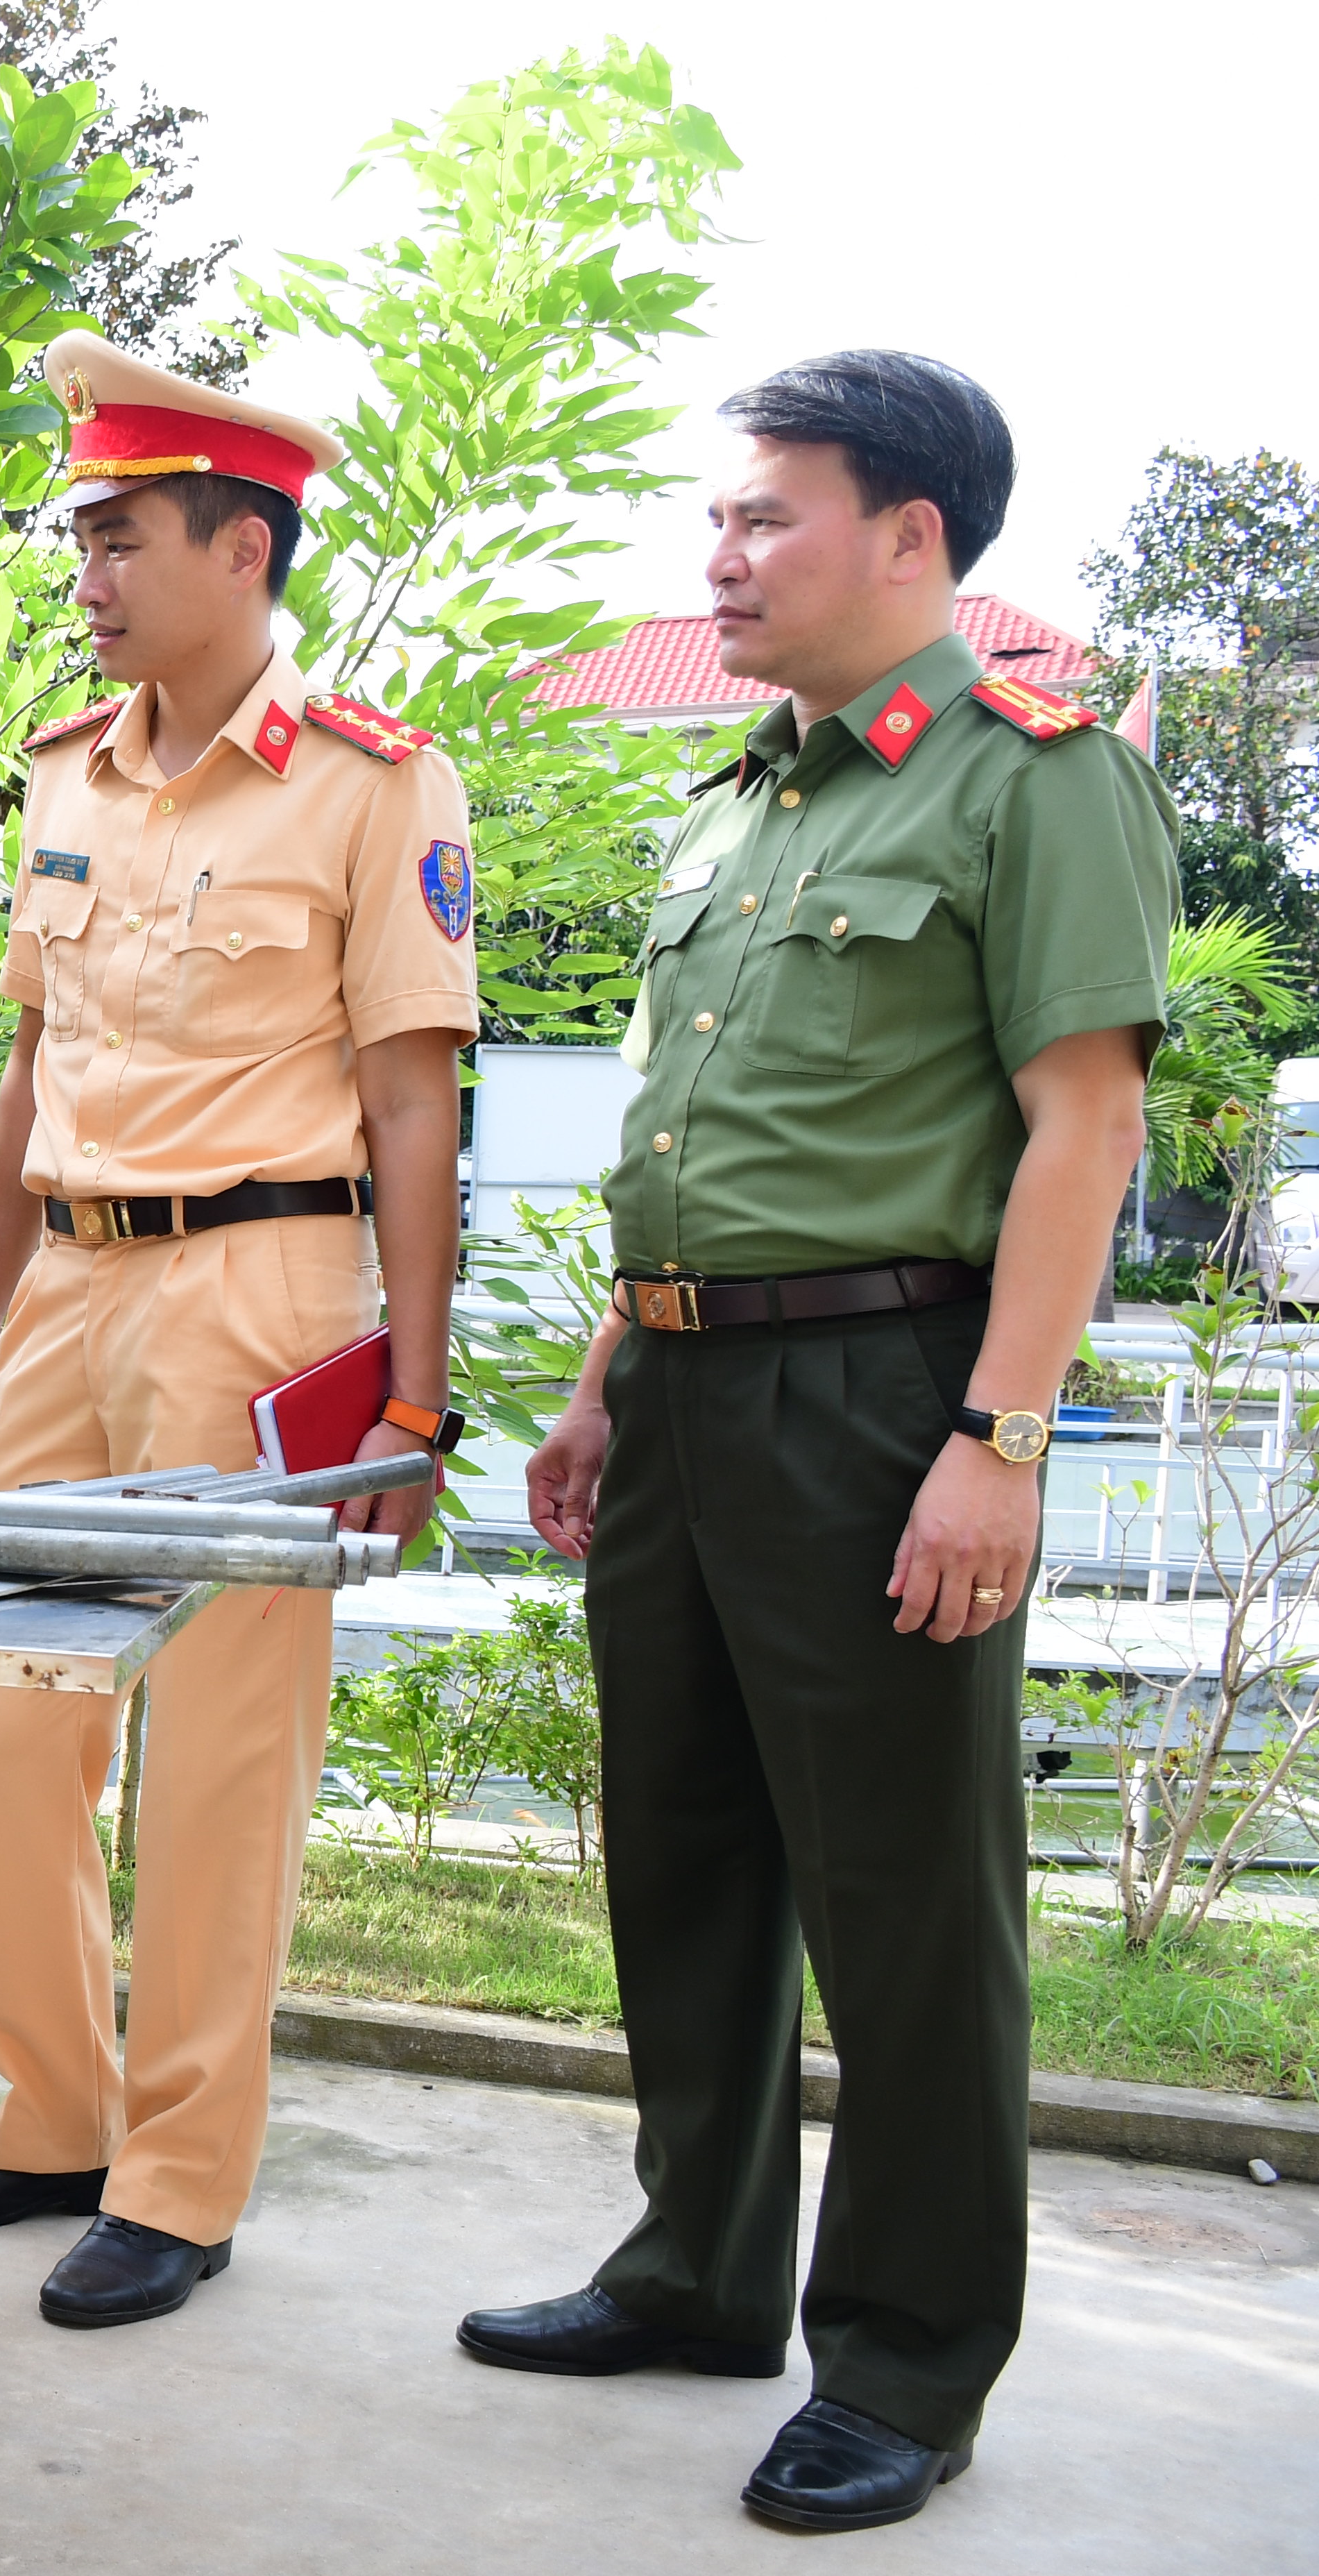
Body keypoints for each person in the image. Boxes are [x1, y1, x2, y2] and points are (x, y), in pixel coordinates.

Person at [460, 354, 1171, 2534]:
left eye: (768, 514)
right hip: (684, 1387)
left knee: (903, 1900)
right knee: (683, 1854)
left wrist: (1003, 1439)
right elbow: (700, 1140)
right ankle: (697, 2271)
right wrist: (606, 1376)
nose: (723, 554)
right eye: (722, 516)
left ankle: (909, 2360)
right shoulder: (739, 803)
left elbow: (1084, 1129)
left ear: (912, 536)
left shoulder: (1034, 777)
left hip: (885, 1392)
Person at [0, 334, 471, 2327]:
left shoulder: (373, 784)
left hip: (259, 1289)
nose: (89, 576)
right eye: (83, 540)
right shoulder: (69, 774)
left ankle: (182, 2178)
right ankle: (57, 2112)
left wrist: (413, 1395)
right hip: (68, 1285)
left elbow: (410, 1102)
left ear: (242, 550)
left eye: (121, 538)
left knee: (216, 1764)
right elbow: (29, 1076)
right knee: (0, 1724)